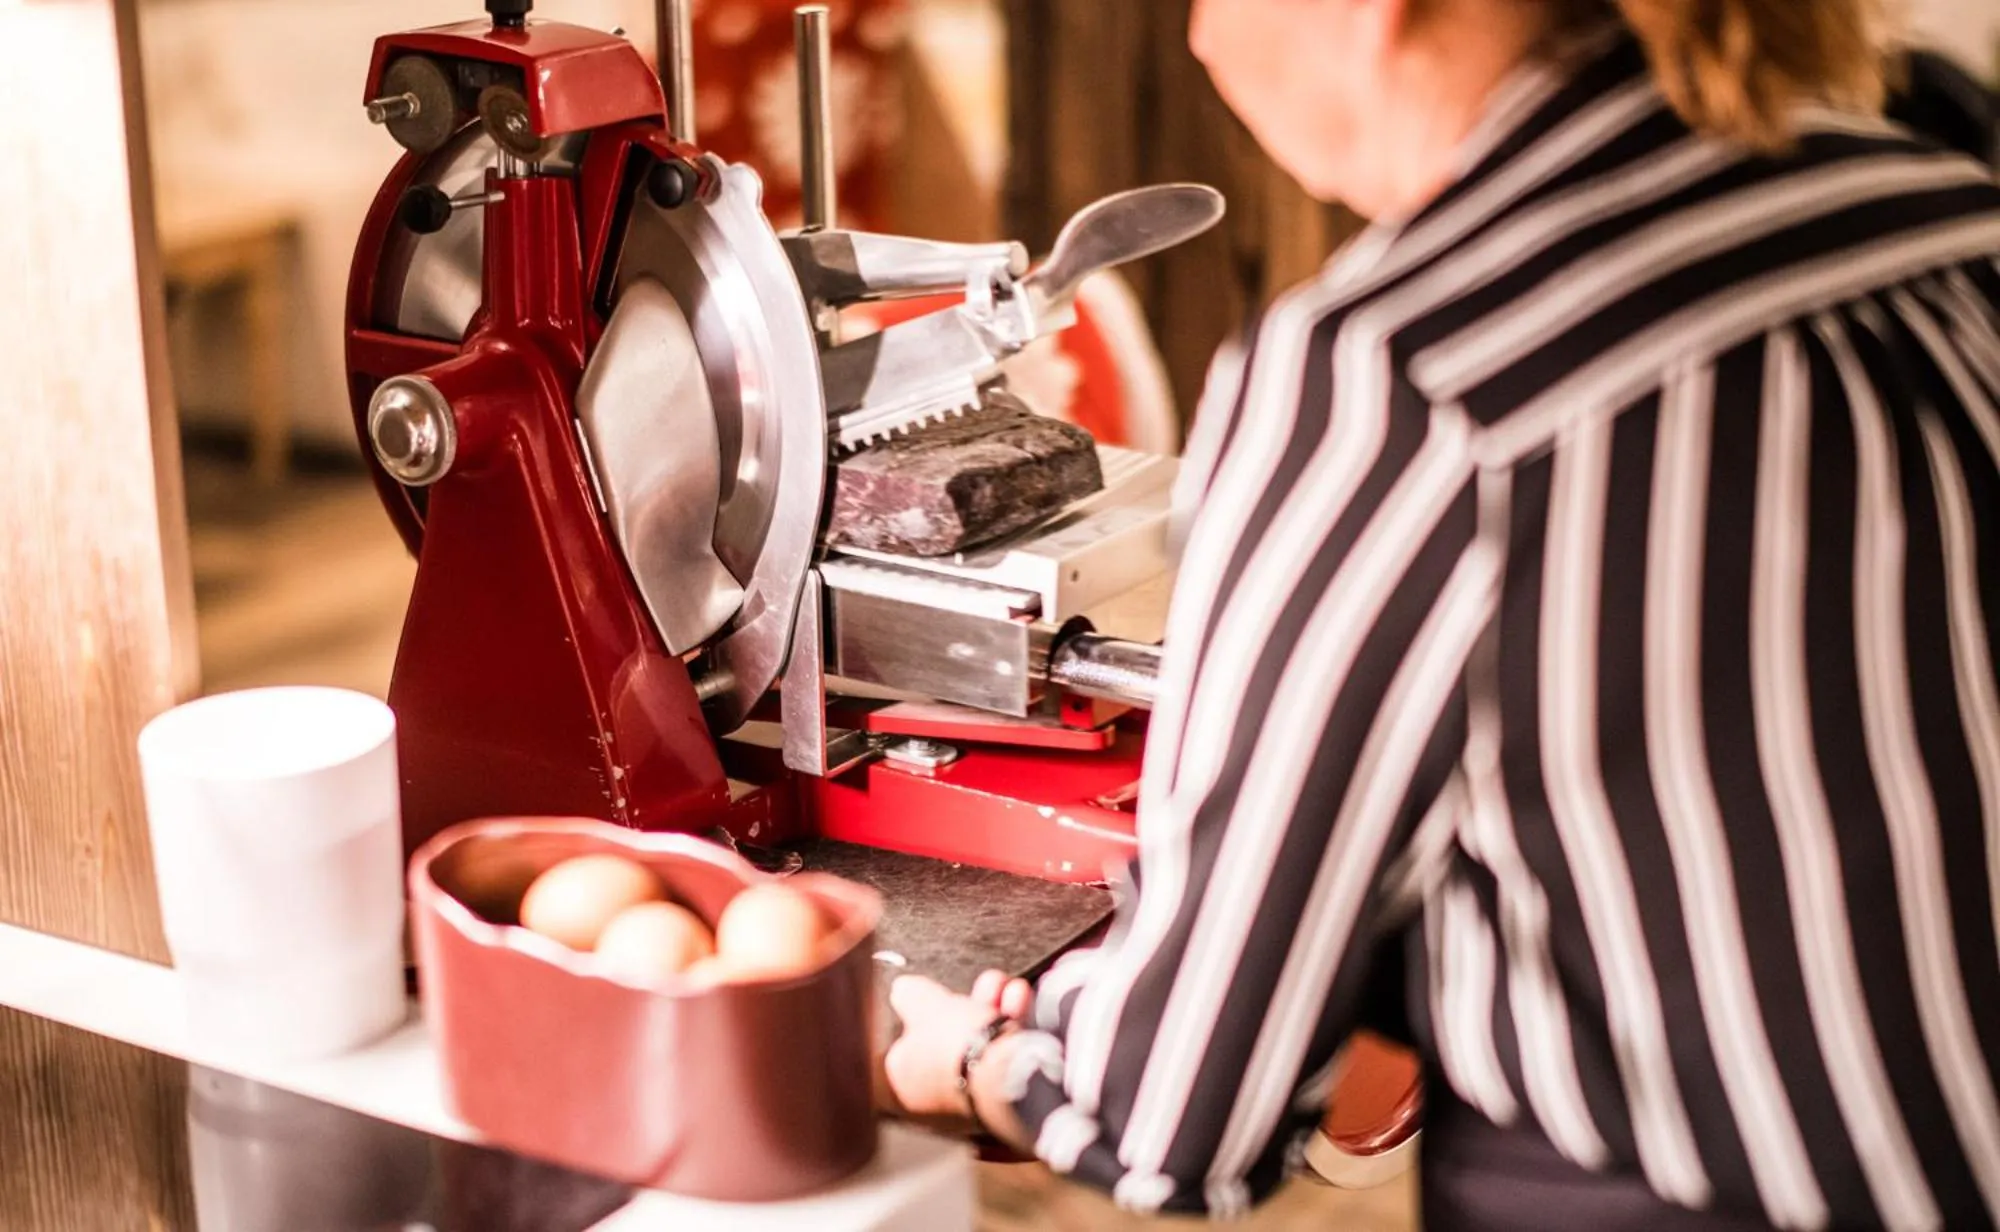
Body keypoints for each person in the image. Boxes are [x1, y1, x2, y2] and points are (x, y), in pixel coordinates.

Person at [883, 0, 2000, 1228]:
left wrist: (962, 1053)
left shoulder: (1395, 372)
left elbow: (1168, 1110)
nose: (1202, 40)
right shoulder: (1942, 185)